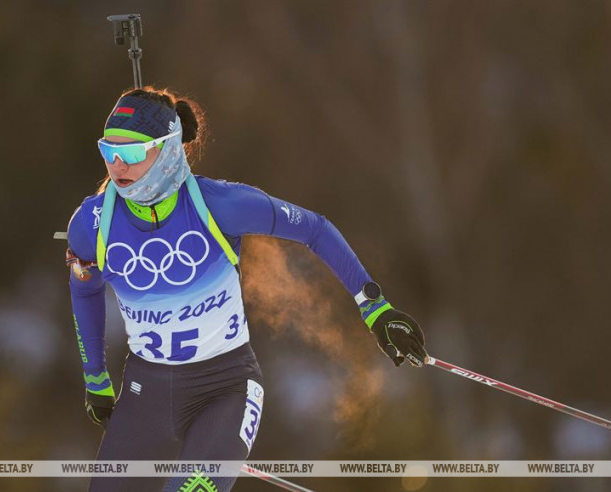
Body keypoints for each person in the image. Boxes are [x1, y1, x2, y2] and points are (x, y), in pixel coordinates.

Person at [66, 86, 428, 492]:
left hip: (225, 389)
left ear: (167, 150)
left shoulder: (220, 205)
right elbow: (85, 290)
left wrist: (375, 308)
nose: (117, 164)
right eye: (108, 150)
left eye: (132, 153)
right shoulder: (91, 225)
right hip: (145, 393)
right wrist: (95, 378)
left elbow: (315, 229)